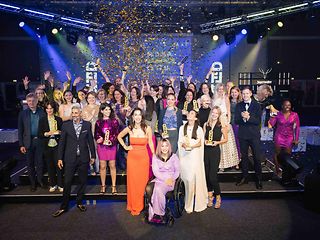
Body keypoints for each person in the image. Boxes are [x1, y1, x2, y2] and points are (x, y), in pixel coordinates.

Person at [52, 105, 96, 217]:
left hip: (83, 158)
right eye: (73, 113)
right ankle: (64, 206)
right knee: (67, 182)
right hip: (70, 158)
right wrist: (59, 158)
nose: (75, 115)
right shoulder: (66, 126)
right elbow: (61, 143)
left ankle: (79, 202)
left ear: (80, 113)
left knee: (82, 181)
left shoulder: (87, 125)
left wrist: (93, 156)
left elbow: (90, 140)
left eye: (76, 113)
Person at [117, 108, 155, 216]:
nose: (137, 117)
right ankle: (134, 205)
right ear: (132, 117)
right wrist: (125, 146)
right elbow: (119, 136)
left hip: (143, 158)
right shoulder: (129, 128)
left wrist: (154, 157)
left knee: (142, 183)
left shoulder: (147, 128)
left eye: (139, 115)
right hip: (132, 158)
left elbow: (151, 144)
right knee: (133, 183)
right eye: (135, 115)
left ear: (142, 117)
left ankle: (142, 205)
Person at [178, 110, 207, 213]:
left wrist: (191, 146)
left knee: (191, 180)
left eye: (192, 114)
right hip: (185, 156)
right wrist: (185, 145)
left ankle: (190, 204)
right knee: (186, 180)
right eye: (189, 113)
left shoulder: (198, 129)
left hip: (194, 156)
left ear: (195, 118)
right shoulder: (182, 128)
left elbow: (200, 143)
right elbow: (180, 141)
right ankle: (186, 202)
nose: (189, 115)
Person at [235, 87, 263, 189]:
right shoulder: (239, 105)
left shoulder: (257, 105)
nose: (245, 95)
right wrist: (243, 118)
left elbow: (258, 121)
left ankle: (259, 179)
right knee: (244, 157)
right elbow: (236, 120)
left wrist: (248, 117)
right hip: (243, 135)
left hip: (254, 135)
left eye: (247, 93)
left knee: (256, 157)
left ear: (251, 94)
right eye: (243, 93)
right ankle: (245, 177)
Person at [18, 93, 46, 191]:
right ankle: (33, 184)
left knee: (40, 163)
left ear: (37, 101)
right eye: (29, 101)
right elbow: (20, 130)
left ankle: (40, 181)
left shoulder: (42, 112)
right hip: (28, 142)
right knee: (30, 164)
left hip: (39, 141)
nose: (31, 103)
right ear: (27, 102)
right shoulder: (23, 114)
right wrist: (21, 144)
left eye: (33, 101)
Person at [147, 139, 180, 221]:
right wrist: (165, 179)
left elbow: (177, 171)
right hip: (159, 179)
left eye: (166, 146)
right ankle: (157, 212)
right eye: (162, 146)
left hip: (170, 181)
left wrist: (172, 179)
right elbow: (156, 172)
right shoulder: (155, 157)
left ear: (169, 147)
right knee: (152, 189)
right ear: (159, 147)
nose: (164, 148)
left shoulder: (174, 157)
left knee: (157, 189)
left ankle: (159, 213)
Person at [268, 100, 300, 183]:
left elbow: (297, 128)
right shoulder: (278, 114)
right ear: (282, 106)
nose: (287, 107)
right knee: (277, 154)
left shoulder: (294, 115)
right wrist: (272, 116)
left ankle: (286, 173)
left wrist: (296, 138)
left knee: (287, 156)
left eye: (289, 105)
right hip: (279, 136)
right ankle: (278, 169)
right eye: (286, 105)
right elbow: (272, 124)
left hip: (289, 138)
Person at [203, 106, 228, 209]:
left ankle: (218, 197)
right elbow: (203, 137)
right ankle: (210, 197)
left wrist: (217, 142)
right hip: (206, 151)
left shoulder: (222, 125)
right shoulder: (206, 124)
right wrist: (204, 141)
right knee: (207, 175)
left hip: (215, 151)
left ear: (219, 115)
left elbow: (225, 139)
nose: (214, 115)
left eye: (216, 113)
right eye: (213, 113)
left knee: (213, 176)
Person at [38, 101, 63, 192]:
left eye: (51, 108)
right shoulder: (42, 120)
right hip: (47, 146)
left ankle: (60, 184)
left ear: (54, 109)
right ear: (45, 109)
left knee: (59, 165)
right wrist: (46, 134)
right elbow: (39, 134)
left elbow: (63, 133)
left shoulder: (59, 119)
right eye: (47, 108)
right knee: (50, 166)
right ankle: (53, 184)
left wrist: (59, 132)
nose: (49, 110)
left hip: (57, 145)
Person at [95, 103, 119, 194]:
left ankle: (113, 186)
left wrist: (111, 141)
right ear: (101, 111)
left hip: (111, 146)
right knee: (102, 166)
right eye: (106, 110)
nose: (108, 111)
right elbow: (96, 134)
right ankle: (103, 186)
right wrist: (99, 139)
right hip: (102, 147)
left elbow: (117, 134)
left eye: (109, 109)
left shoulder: (115, 121)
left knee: (112, 165)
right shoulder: (98, 122)